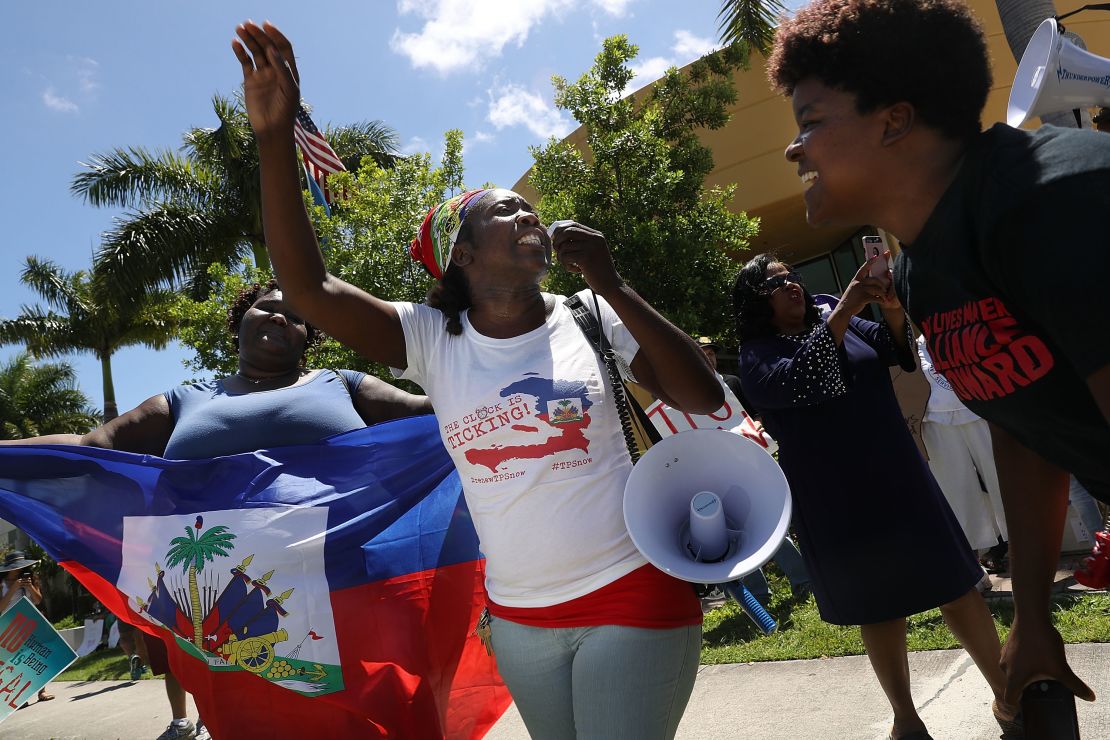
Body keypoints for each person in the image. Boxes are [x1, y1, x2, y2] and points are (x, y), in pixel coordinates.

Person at [232, 21, 722, 739]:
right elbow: (306, 287)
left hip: (632, 592)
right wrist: (275, 139)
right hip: (521, 622)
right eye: (504, 209)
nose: (527, 211)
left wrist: (613, 284)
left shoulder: (587, 314)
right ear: (460, 256)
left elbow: (702, 395)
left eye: (526, 206)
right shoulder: (433, 341)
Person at [766, 0, 1108, 709]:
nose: (794, 150)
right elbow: (1023, 423)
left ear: (895, 120)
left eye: (811, 121)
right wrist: (1035, 618)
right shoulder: (922, 268)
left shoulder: (1053, 200)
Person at [0, 279, 431, 740]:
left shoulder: (342, 383)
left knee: (371, 722)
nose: (282, 317)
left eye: (300, 317)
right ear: (240, 320)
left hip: (348, 590)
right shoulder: (184, 400)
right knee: (250, 725)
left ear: (311, 337)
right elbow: (92, 446)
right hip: (222, 613)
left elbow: (430, 411)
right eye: (268, 308)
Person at [733, 253, 1021, 740]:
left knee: (956, 584)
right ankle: (906, 719)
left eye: (792, 277)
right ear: (754, 302)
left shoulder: (830, 312)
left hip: (899, 474)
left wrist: (888, 307)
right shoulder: (757, 355)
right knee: (880, 605)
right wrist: (846, 307)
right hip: (837, 495)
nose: (792, 286)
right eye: (775, 283)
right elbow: (806, 379)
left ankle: (1007, 699)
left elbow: (897, 351)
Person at [695, 336, 812, 603]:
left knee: (764, 521)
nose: (709, 358)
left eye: (711, 354)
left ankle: (802, 580)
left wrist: (757, 425)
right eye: (703, 354)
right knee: (734, 529)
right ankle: (760, 594)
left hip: (749, 463)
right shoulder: (681, 398)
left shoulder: (732, 383)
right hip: (714, 474)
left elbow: (756, 411)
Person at [916, 335, 1008, 560]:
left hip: (980, 412)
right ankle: (972, 564)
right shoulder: (911, 342)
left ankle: (1026, 550)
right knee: (956, 494)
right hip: (934, 421)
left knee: (1003, 482)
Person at [0, 550, 54, 704]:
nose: (18, 569)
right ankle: (21, 696)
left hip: (30, 622)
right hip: (10, 625)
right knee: (17, 661)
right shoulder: (2, 584)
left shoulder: (30, 578)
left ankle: (42, 691)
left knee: (36, 657)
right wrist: (14, 587)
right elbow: (1, 607)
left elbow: (37, 601)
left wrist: (29, 587)